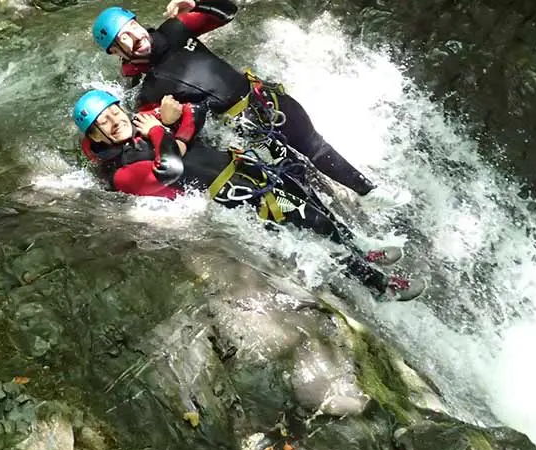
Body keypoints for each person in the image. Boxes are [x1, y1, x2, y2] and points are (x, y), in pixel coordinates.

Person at [72, 88, 420, 301]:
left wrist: (172, 129)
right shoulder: (122, 173)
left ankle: (362, 252)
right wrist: (166, 132)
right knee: (315, 225)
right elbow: (171, 170)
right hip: (236, 198)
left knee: (314, 206)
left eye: (114, 111)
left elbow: (195, 111)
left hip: (245, 173)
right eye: (104, 122)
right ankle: (381, 287)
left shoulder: (140, 127)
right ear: (97, 138)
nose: (115, 120)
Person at [89, 0, 378, 198]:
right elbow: (178, 131)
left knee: (315, 146)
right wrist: (167, 123)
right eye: (123, 39)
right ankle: (345, 220)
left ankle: (367, 190)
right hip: (246, 129)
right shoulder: (146, 91)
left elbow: (227, 11)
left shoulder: (175, 30)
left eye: (133, 28)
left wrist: (197, 3)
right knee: (296, 174)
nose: (135, 38)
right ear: (115, 52)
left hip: (263, 99)